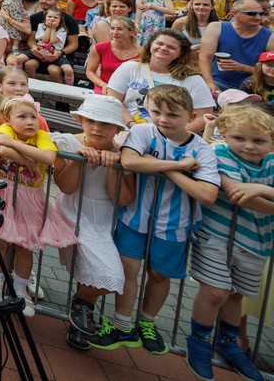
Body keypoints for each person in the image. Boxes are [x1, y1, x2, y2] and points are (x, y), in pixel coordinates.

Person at [90, 84, 220, 354]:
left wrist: (170, 171)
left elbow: (207, 194)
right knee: (128, 269)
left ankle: (147, 323)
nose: (163, 119)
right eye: (156, 112)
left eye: (173, 114)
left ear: (191, 116)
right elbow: (129, 162)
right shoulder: (142, 131)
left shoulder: (201, 149)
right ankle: (122, 324)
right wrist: (178, 165)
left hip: (175, 224)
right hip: (135, 216)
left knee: (159, 275)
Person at [183, 102, 274, 380]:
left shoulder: (270, 162)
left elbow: (254, 194)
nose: (248, 146)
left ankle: (227, 343)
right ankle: (198, 341)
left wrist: (260, 186)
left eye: (258, 140)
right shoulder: (220, 153)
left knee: (236, 294)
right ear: (225, 135)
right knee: (216, 292)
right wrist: (262, 193)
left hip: (255, 241)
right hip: (217, 236)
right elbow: (238, 194)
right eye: (239, 138)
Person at [0, 95, 76, 317]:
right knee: (1, 244)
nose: (30, 121)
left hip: (30, 199)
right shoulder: (4, 129)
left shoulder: (42, 135)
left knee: (25, 246)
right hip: (4, 193)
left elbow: (49, 156)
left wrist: (17, 147)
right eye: (22, 117)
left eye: (33, 116)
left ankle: (21, 290)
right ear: (8, 119)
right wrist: (30, 162)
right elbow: (2, 150)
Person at [52, 96, 132, 350]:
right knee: (104, 270)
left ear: (117, 129)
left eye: (106, 124)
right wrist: (79, 159)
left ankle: (82, 305)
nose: (97, 128)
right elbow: (65, 186)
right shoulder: (66, 142)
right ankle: (83, 308)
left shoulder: (125, 154)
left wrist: (114, 167)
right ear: (82, 120)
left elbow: (122, 198)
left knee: (105, 273)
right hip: (70, 210)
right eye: (92, 121)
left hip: (103, 216)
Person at [105, 29, 214, 129]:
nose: (163, 48)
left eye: (171, 47)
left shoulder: (193, 80)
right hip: (127, 129)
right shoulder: (129, 67)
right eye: (159, 43)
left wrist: (168, 136)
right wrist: (131, 125)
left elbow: (202, 117)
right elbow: (113, 101)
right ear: (150, 45)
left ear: (180, 53)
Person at [199, 0, 274, 97]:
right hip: (218, 83)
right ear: (235, 14)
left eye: (261, 13)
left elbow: (270, 71)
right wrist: (210, 83)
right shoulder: (216, 27)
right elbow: (204, 58)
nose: (258, 17)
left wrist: (243, 68)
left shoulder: (270, 36)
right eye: (251, 14)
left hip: (252, 88)